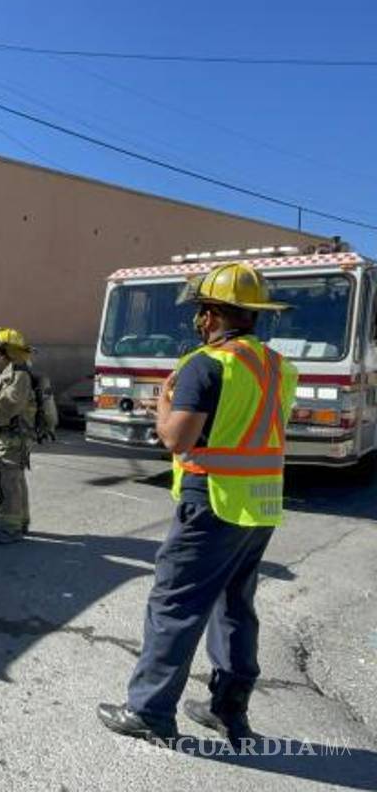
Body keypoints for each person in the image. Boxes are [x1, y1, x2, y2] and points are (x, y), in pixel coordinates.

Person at [98, 263, 297, 748]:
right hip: (261, 504)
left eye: (201, 313)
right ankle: (228, 711)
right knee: (234, 609)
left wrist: (161, 409)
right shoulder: (277, 366)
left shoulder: (204, 365)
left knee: (175, 605)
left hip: (211, 501)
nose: (198, 322)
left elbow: (177, 439)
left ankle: (149, 711)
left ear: (209, 315)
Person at [0, 328, 36, 545]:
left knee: (9, 482)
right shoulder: (5, 374)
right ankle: (17, 520)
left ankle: (11, 528)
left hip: (15, 437)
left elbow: (9, 403)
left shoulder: (19, 376)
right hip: (5, 437)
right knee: (13, 479)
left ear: (6, 353)